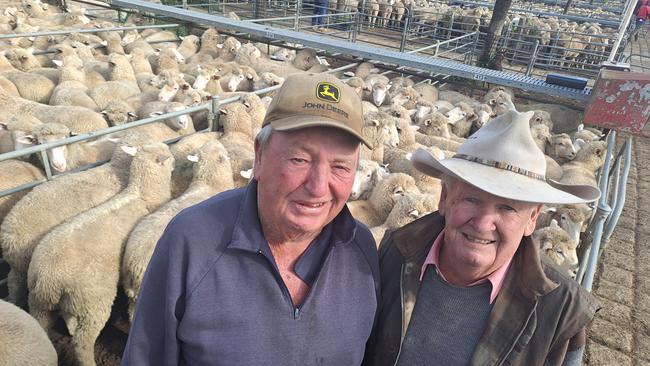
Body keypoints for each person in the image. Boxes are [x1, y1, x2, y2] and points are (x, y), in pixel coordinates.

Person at [122, 73, 380, 365]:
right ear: (259, 156)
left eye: (341, 166)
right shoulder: (192, 241)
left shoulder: (362, 251)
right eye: (300, 159)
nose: (319, 187)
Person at [363, 110, 601, 366]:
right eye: (471, 199)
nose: (483, 223)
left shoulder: (560, 311)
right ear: (444, 199)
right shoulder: (393, 254)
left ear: (532, 218)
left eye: (508, 208)